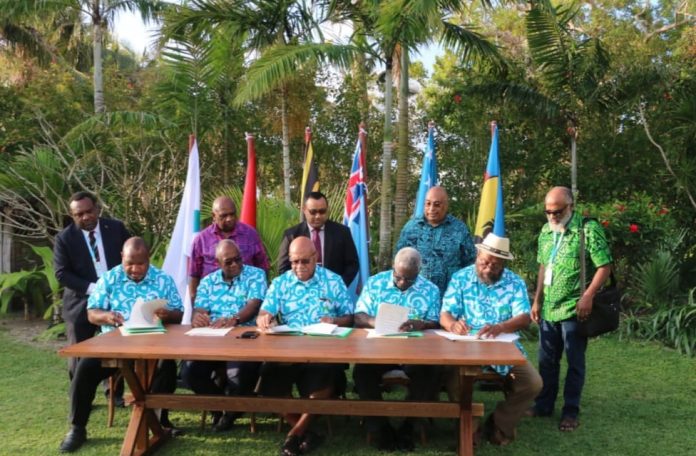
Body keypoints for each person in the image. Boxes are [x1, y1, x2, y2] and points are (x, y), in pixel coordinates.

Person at [58, 238, 183, 453]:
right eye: (129, 264)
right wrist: (106, 315)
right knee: (85, 368)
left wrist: (167, 314)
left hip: (153, 344)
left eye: (140, 264)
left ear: (148, 259)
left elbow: (179, 314)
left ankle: (160, 422)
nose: (134, 269)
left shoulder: (163, 279)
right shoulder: (109, 278)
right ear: (122, 258)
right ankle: (77, 428)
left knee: (167, 366)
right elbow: (92, 313)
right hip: (116, 345)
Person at [440, 233, 542, 446]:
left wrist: (501, 327)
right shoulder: (461, 278)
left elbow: (524, 317)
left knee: (532, 384)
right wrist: (452, 324)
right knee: (454, 379)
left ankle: (498, 423)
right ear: (478, 255)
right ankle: (471, 428)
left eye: (494, 265)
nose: (487, 267)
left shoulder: (515, 282)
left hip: (503, 346)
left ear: (503, 263)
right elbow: (445, 313)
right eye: (484, 262)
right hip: (467, 345)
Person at [256, 237, 353, 456]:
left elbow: (350, 317)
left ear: (316, 258)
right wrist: (264, 318)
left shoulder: (333, 281)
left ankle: (295, 433)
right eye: (294, 262)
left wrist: (335, 321)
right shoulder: (281, 283)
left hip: (324, 349)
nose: (299, 267)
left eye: (304, 262)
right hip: (289, 349)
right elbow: (264, 312)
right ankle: (306, 431)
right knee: (269, 378)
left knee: (327, 378)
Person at [530, 187, 612, 432]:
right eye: (548, 212)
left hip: (574, 308)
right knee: (546, 361)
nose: (552, 216)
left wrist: (588, 296)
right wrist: (537, 300)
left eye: (557, 211)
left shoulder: (588, 229)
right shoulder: (546, 231)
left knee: (574, 362)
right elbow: (544, 266)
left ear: (571, 206)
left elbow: (604, 265)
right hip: (549, 309)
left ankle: (570, 411)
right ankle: (544, 405)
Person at [353, 247, 442, 452]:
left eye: (409, 280)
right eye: (398, 277)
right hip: (379, 349)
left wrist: (421, 324)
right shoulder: (375, 283)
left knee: (429, 372)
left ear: (419, 272)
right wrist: (375, 321)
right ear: (393, 267)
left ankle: (409, 426)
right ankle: (380, 427)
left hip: (415, 352)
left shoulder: (430, 290)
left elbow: (436, 322)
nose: (402, 283)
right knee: (362, 372)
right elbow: (358, 316)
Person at [180, 239, 267, 432]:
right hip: (212, 341)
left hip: (245, 338)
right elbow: (199, 310)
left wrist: (234, 319)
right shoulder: (208, 282)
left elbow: (254, 305)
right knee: (189, 371)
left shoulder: (256, 275)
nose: (235, 264)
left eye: (238, 259)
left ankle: (227, 415)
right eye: (229, 262)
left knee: (236, 374)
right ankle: (221, 406)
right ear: (218, 263)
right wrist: (198, 319)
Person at [53, 191, 130, 401]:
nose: (85, 217)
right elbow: (61, 273)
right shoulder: (64, 238)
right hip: (80, 303)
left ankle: (114, 394)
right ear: (73, 215)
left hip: (115, 301)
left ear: (97, 209)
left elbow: (132, 254)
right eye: (79, 214)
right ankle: (80, 397)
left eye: (89, 211)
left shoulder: (116, 228)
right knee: (79, 354)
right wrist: (94, 288)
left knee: (115, 349)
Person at [395, 186, 476, 295]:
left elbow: (470, 263)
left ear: (446, 206)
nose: (431, 209)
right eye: (428, 204)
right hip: (416, 294)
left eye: (437, 205)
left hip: (449, 296)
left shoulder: (459, 229)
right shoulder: (411, 227)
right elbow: (399, 259)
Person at [188, 196, 269, 302]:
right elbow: (194, 276)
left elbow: (263, 267)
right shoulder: (201, 240)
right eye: (224, 216)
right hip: (212, 303)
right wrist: (197, 308)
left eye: (232, 214)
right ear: (214, 216)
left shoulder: (250, 234)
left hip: (247, 301)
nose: (229, 219)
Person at [277, 191, 359, 287]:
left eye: (322, 211)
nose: (318, 216)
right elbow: (283, 267)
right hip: (300, 292)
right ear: (304, 210)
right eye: (313, 212)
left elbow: (352, 264)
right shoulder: (292, 235)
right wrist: (297, 287)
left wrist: (339, 285)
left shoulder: (342, 232)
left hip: (332, 292)